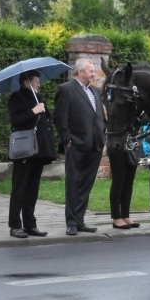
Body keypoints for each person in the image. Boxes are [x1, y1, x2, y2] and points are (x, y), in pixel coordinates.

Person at [53, 58, 106, 236]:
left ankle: (80, 220)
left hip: (95, 144)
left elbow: (99, 115)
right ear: (80, 72)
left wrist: (103, 133)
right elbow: (60, 117)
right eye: (91, 71)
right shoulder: (66, 89)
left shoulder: (95, 91)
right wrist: (67, 140)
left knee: (86, 183)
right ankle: (71, 222)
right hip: (76, 144)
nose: (94, 74)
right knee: (74, 182)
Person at [7, 70, 57, 238]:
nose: (39, 84)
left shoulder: (39, 97)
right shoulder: (17, 97)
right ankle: (15, 225)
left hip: (38, 150)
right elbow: (16, 120)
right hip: (24, 150)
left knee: (32, 189)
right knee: (19, 187)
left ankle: (30, 224)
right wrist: (33, 111)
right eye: (36, 81)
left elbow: (47, 120)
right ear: (26, 82)